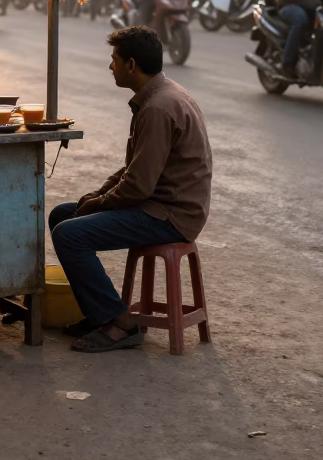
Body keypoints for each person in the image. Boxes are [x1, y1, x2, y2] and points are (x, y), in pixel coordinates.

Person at [49, 26, 212, 353]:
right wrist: (97, 196)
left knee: (70, 234)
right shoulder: (161, 94)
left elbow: (137, 186)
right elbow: (135, 167)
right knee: (62, 214)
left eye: (114, 60)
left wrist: (99, 204)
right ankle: (101, 314)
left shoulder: (157, 108)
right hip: (157, 202)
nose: (110, 67)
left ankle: (121, 323)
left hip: (168, 215)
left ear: (132, 65)